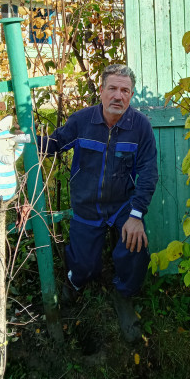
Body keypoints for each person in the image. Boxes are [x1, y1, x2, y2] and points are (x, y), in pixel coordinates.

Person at [37, 64, 158, 342]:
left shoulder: (140, 127)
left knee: (136, 249)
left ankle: (123, 294)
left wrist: (136, 214)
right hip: (87, 204)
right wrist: (25, 141)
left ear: (131, 95)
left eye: (125, 90)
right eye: (112, 89)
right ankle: (74, 283)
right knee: (84, 267)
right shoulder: (82, 121)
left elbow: (149, 172)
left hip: (122, 205)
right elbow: (55, 144)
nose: (118, 96)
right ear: (101, 91)